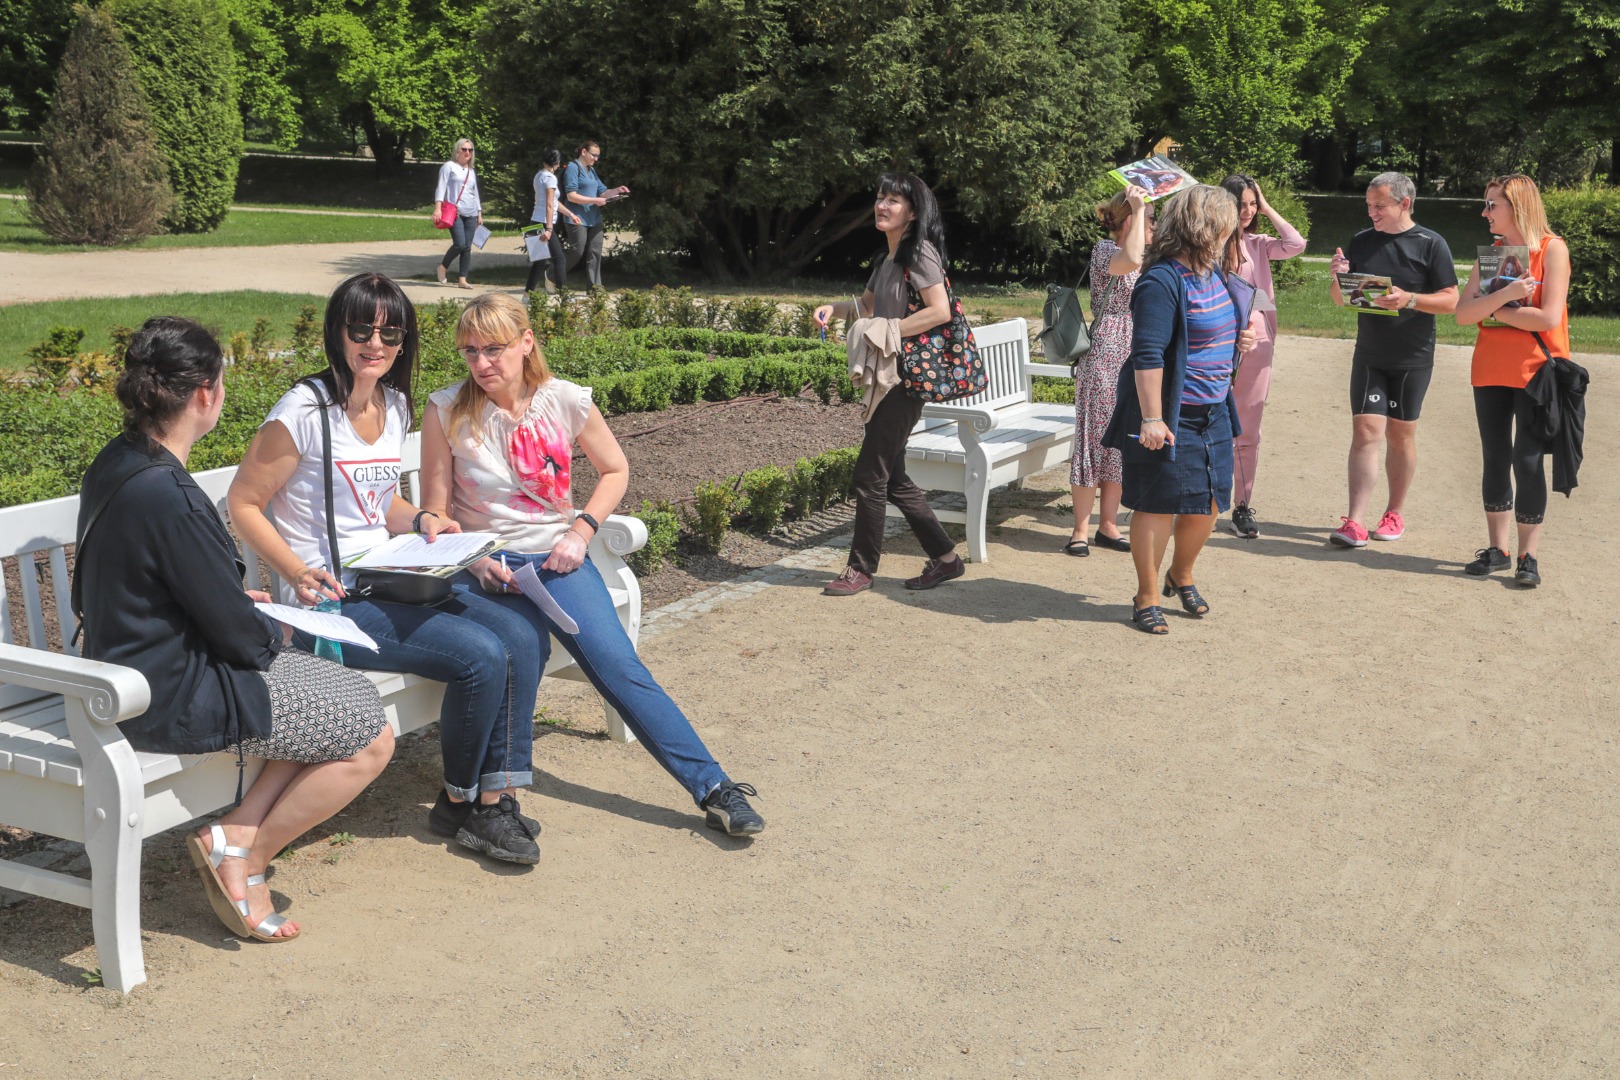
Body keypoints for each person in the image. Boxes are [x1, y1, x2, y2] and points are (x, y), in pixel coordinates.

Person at [77, 316, 393, 942]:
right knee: (370, 730)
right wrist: (259, 619)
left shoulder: (118, 461)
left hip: (132, 662)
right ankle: (244, 855)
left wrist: (228, 598)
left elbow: (155, 581)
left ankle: (236, 830)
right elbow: (243, 642)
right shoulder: (171, 494)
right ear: (204, 394)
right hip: (169, 691)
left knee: (328, 695)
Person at [417, 293, 765, 835]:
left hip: (558, 561)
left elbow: (615, 470)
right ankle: (489, 805)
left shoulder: (565, 400)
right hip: (489, 569)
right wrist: (470, 556)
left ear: (526, 342)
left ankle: (715, 788)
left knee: (621, 668)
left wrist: (581, 532)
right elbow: (437, 510)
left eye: (493, 349)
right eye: (469, 352)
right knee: (520, 656)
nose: (481, 363)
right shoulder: (447, 411)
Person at [228, 272, 544, 866]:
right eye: (360, 329)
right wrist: (296, 571)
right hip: (335, 604)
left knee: (523, 635)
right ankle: (462, 799)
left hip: (394, 578)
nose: (375, 343)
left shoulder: (393, 404)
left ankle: (490, 801)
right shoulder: (305, 410)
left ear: (403, 341)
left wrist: (424, 519)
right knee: (480, 656)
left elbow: (377, 505)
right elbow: (243, 503)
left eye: (390, 331)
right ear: (337, 332)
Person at [1103, 184, 1254, 635]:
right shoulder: (1161, 279)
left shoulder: (1214, 273)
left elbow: (1216, 331)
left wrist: (1238, 340)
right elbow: (1148, 354)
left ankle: (1180, 574)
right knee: (1156, 504)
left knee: (1208, 503)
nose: (1234, 229)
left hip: (1213, 411)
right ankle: (1147, 594)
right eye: (1228, 221)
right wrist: (1152, 418)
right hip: (1169, 413)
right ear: (1207, 226)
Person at [812, 172, 965, 596]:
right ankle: (947, 559)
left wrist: (892, 329)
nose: (883, 206)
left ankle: (860, 569)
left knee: (869, 475)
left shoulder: (920, 254)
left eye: (893, 201)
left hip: (904, 377)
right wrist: (833, 308)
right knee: (893, 478)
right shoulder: (887, 258)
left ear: (912, 212)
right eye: (880, 198)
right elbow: (866, 306)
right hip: (888, 374)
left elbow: (940, 310)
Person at [1326, 172, 1459, 547]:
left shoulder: (1431, 244)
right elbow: (1341, 300)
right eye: (1368, 205)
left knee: (1401, 436)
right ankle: (1354, 521)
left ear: (1404, 203)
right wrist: (1337, 277)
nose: (1372, 212)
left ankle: (1394, 512)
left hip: (1413, 357)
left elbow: (1451, 299)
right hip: (1369, 354)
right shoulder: (1362, 241)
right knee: (1366, 432)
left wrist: (1410, 299)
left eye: (1379, 205)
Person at [1453, 173, 1571, 586]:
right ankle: (1498, 550)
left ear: (1517, 206)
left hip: (1537, 372)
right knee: (1495, 458)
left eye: (1491, 204)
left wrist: (1490, 308)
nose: (1484, 212)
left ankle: (1528, 557)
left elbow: (1547, 317)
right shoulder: (1495, 254)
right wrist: (1503, 297)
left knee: (1528, 460)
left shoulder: (1552, 249)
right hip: (1489, 370)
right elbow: (1462, 314)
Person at [1218, 174, 1307, 539]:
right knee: (1204, 421)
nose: (1248, 211)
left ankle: (1241, 505)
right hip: (1216, 344)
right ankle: (1199, 499)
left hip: (1258, 346)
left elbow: (1296, 243)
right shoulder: (1209, 244)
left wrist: (1267, 207)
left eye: (1252, 204)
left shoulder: (1258, 243)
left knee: (1248, 428)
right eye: (1242, 204)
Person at [1065, 185, 1150, 557]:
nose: (1154, 226)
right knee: (1093, 438)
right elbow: (1130, 259)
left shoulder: (1147, 253)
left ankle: (1108, 524)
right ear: (1130, 220)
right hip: (1106, 349)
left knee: (1120, 441)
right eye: (1148, 220)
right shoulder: (1106, 250)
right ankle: (1080, 529)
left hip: (1136, 350)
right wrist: (1139, 209)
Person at [562, 140, 629, 291]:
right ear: (584, 152)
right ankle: (553, 274)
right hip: (577, 217)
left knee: (595, 252)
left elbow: (603, 192)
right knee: (577, 250)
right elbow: (571, 196)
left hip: (594, 218)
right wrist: (595, 200)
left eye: (598, 156)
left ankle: (595, 289)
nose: (596, 159)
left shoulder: (591, 170)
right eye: (594, 155)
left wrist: (617, 190)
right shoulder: (573, 167)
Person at [525, 149, 585, 294]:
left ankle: (527, 294)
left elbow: (553, 201)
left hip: (535, 221)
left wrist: (570, 214)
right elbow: (550, 205)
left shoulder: (538, 175)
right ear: (557, 163)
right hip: (545, 223)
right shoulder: (551, 178)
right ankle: (564, 295)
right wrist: (550, 229)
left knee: (539, 262)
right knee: (559, 259)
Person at [433, 138, 482, 289]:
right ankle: (443, 267)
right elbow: (440, 187)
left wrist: (479, 212)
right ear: (457, 151)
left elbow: (475, 193)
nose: (467, 152)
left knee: (467, 247)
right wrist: (438, 208)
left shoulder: (471, 171)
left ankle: (462, 279)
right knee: (460, 244)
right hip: (455, 212)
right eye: (464, 149)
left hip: (471, 212)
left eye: (470, 150)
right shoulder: (449, 167)